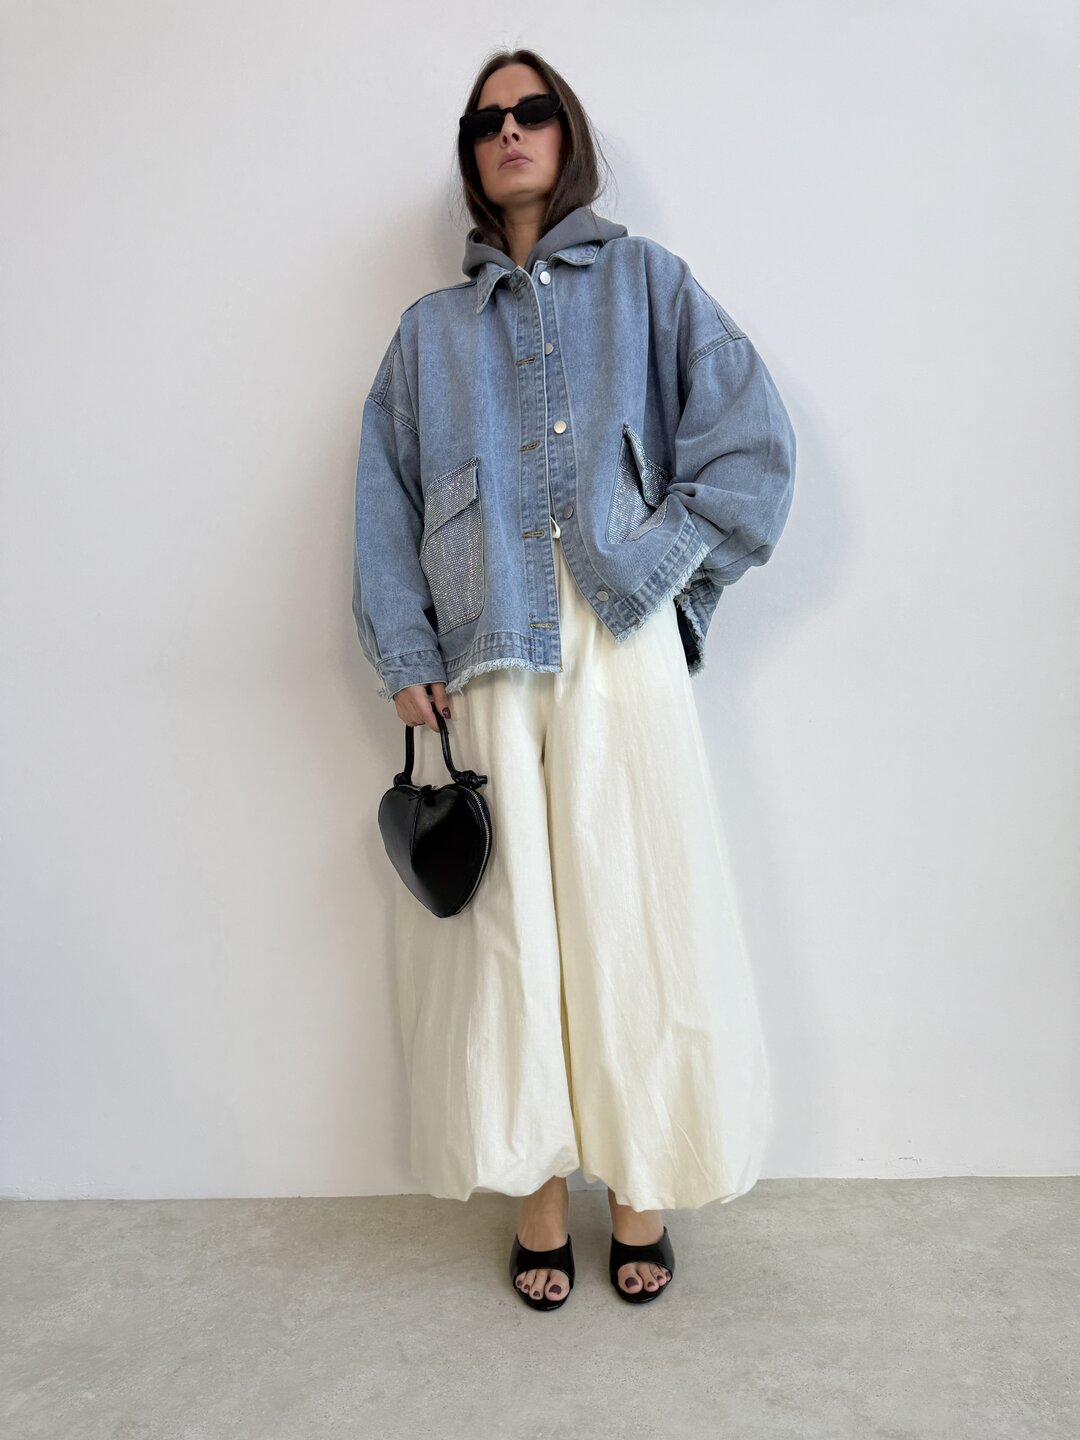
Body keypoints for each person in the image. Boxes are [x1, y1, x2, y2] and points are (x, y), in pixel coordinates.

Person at [352, 48, 797, 1311]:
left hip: (617, 640)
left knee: (638, 912)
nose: (510, 132)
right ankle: (540, 1197)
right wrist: (405, 653)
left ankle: (641, 1186)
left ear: (567, 133)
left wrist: (657, 570)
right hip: (490, 646)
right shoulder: (428, 334)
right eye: (487, 119)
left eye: (532, 111)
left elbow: (751, 446)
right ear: (471, 151)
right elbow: (383, 499)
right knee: (514, 935)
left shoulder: (650, 283)